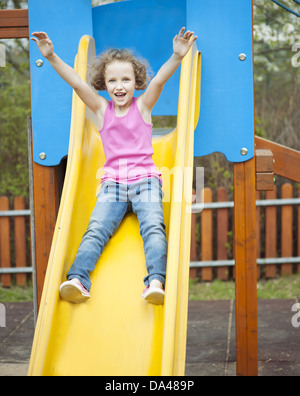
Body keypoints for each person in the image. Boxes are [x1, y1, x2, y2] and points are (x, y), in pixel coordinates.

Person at [31, 27, 197, 305]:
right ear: (104, 84)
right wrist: (51, 57)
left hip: (145, 181)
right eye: (112, 81)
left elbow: (159, 82)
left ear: (136, 82)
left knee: (154, 226)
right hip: (114, 185)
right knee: (96, 228)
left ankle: (156, 281)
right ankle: (78, 279)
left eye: (126, 80)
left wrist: (177, 57)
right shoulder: (100, 110)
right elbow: (77, 83)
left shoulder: (143, 107)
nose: (119, 86)